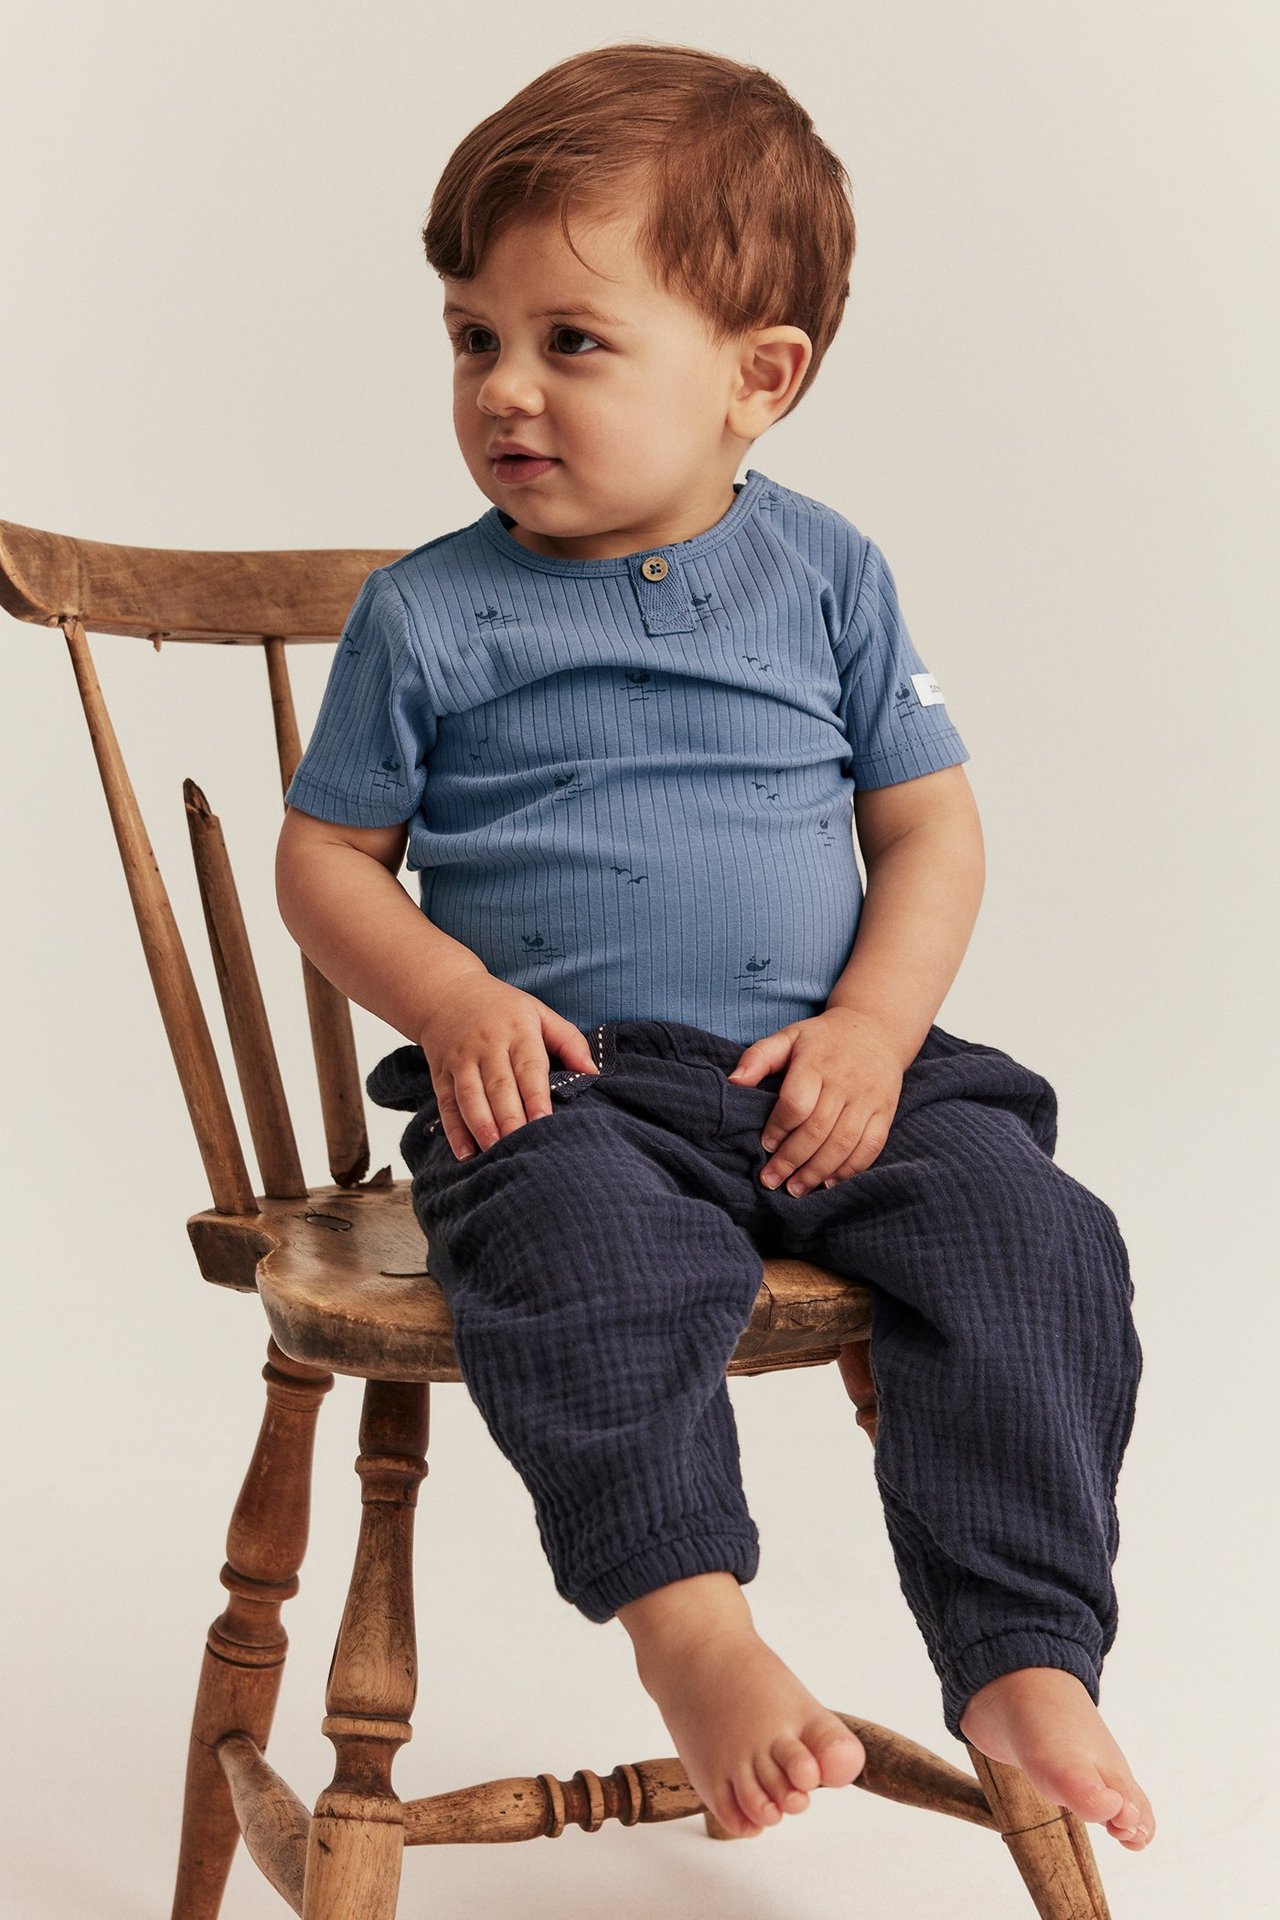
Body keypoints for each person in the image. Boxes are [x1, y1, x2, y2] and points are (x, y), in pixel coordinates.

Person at [275, 41, 1153, 1851]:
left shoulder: (830, 573)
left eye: (570, 340)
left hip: (830, 1073)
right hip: (569, 1088)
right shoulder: (427, 614)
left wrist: (879, 1032)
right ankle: (691, 1623)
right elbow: (325, 863)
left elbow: (929, 826)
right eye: (471, 336)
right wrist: (452, 996)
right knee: (587, 1258)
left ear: (761, 380)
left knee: (1033, 1238)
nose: (504, 389)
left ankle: (1019, 1648)